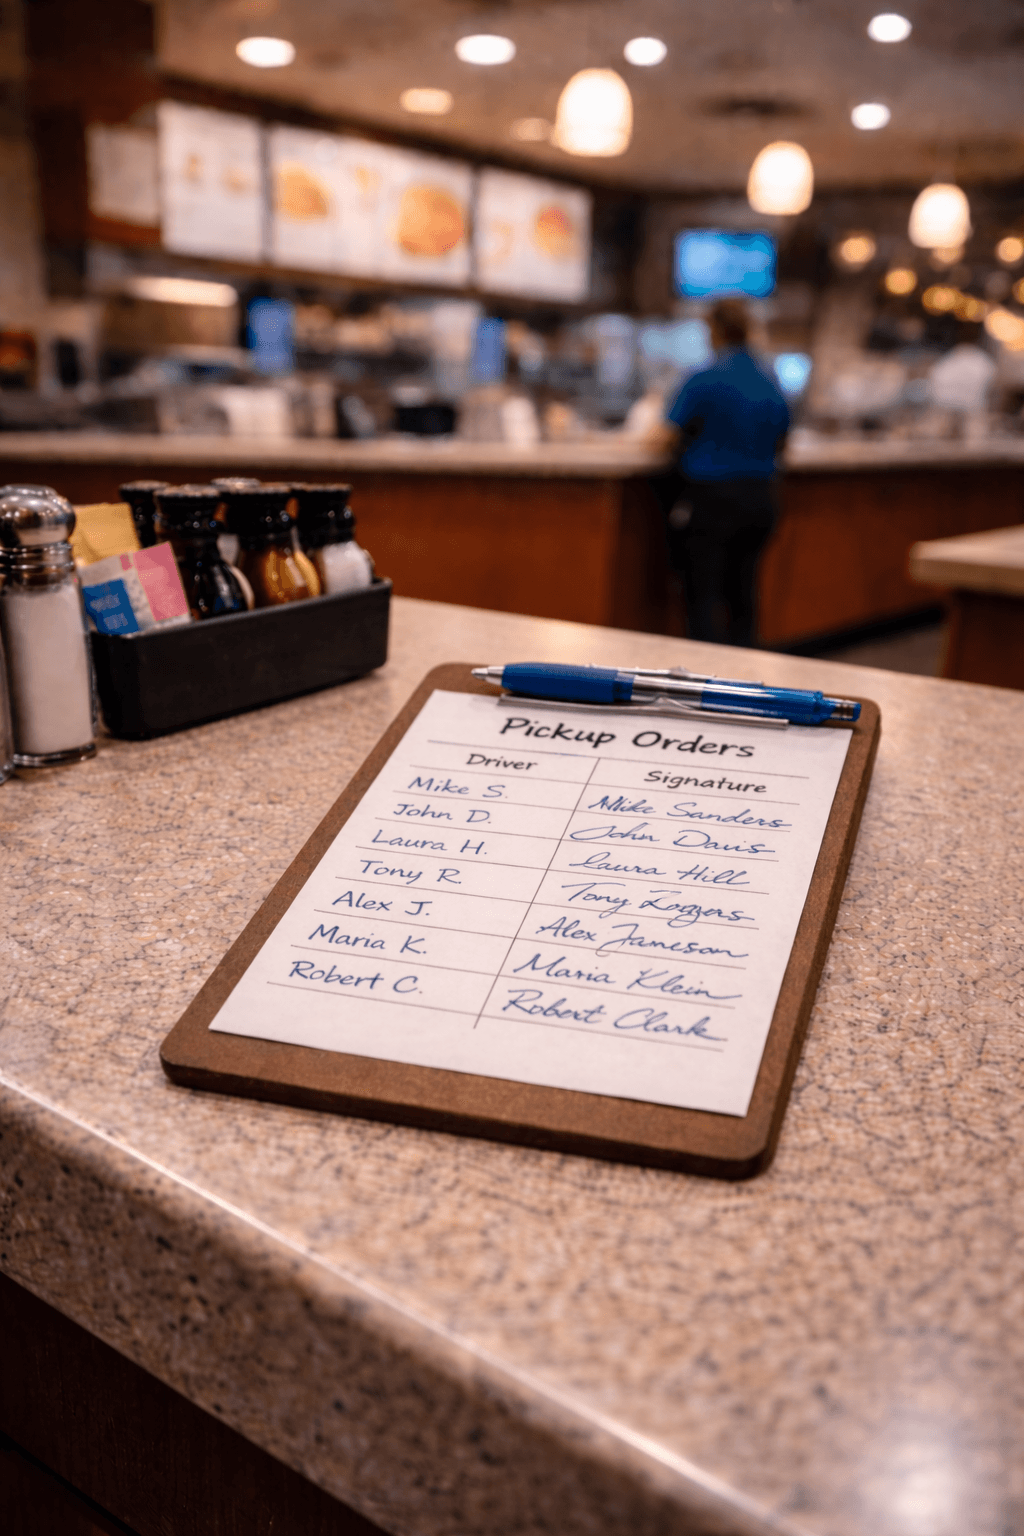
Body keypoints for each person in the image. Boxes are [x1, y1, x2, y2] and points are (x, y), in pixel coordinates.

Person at [649, 298, 790, 647]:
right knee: (743, 592)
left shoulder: (704, 378)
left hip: (712, 500)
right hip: (762, 498)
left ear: (714, 331)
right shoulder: (770, 380)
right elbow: (783, 442)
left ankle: (705, 671)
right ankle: (745, 668)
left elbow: (664, 439)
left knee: (703, 595)